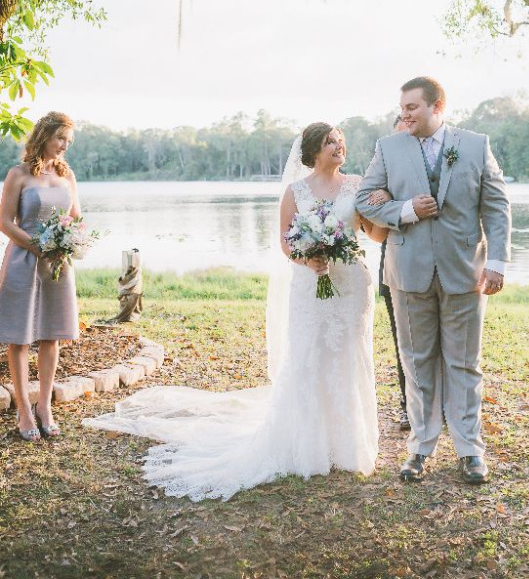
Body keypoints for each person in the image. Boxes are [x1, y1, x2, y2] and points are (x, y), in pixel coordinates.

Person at [85, 122, 385, 501]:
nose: (339, 146)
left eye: (341, 140)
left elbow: (375, 234)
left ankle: (348, 444)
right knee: (310, 354)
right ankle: (308, 445)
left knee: (348, 355)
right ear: (313, 150)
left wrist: (388, 207)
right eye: (330, 141)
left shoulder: (357, 185)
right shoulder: (296, 192)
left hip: (352, 285)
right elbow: (285, 241)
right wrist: (307, 259)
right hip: (311, 284)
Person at [356, 77, 511, 485]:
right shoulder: (388, 148)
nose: (404, 114)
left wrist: (496, 260)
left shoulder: (475, 145)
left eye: (412, 107)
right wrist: (405, 209)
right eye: (402, 108)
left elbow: (496, 205)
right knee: (417, 362)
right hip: (408, 273)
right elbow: (363, 198)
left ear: (436, 106)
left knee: (464, 364)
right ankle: (420, 449)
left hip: (466, 272)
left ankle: (470, 451)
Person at [0, 111, 80, 441]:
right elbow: (4, 222)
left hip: (57, 265)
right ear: (44, 135)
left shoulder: (67, 175)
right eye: (60, 138)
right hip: (23, 260)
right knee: (20, 338)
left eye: (68, 141)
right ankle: (23, 411)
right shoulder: (18, 174)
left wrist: (69, 239)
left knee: (51, 335)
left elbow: (76, 217)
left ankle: (44, 406)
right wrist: (36, 245)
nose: (64, 146)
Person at [369, 116, 409, 431]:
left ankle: (447, 408)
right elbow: (368, 209)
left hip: (439, 267)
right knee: (404, 343)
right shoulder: (382, 171)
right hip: (394, 267)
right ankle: (410, 406)